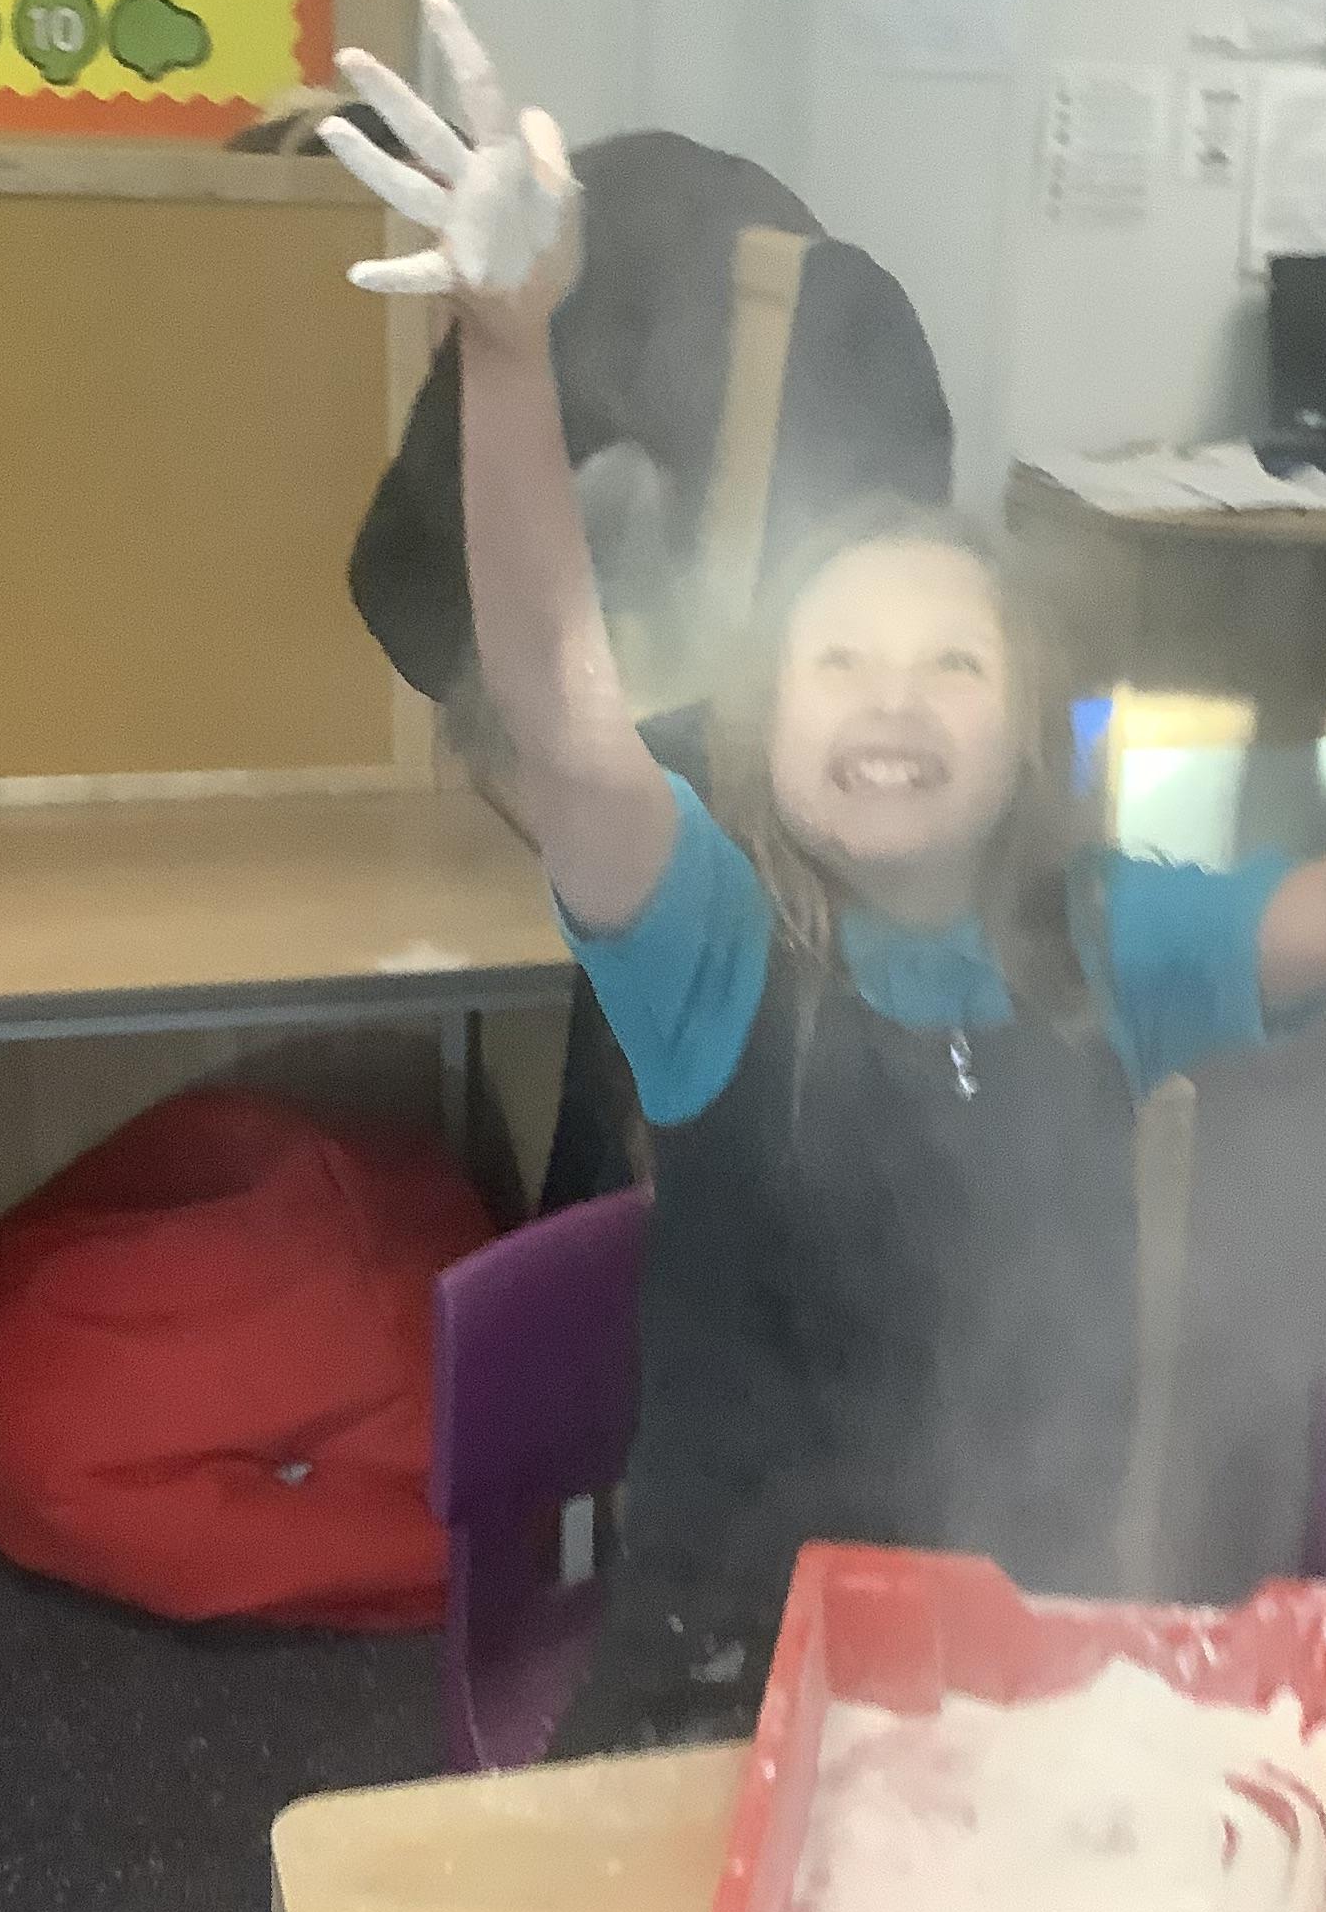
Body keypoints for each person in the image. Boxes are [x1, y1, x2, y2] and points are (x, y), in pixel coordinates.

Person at [319, 0, 1326, 1757]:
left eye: (952, 665)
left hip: (1026, 1627)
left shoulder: (1108, 937)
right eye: (836, 661)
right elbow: (566, 715)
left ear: (1031, 734)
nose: (893, 699)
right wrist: (509, 349)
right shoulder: (707, 944)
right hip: (730, 1659)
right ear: (759, 730)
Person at [331, 95, 954, 1203]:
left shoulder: (671, 296)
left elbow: (414, 598)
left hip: (707, 856)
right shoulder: (733, 289)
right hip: (758, 871)